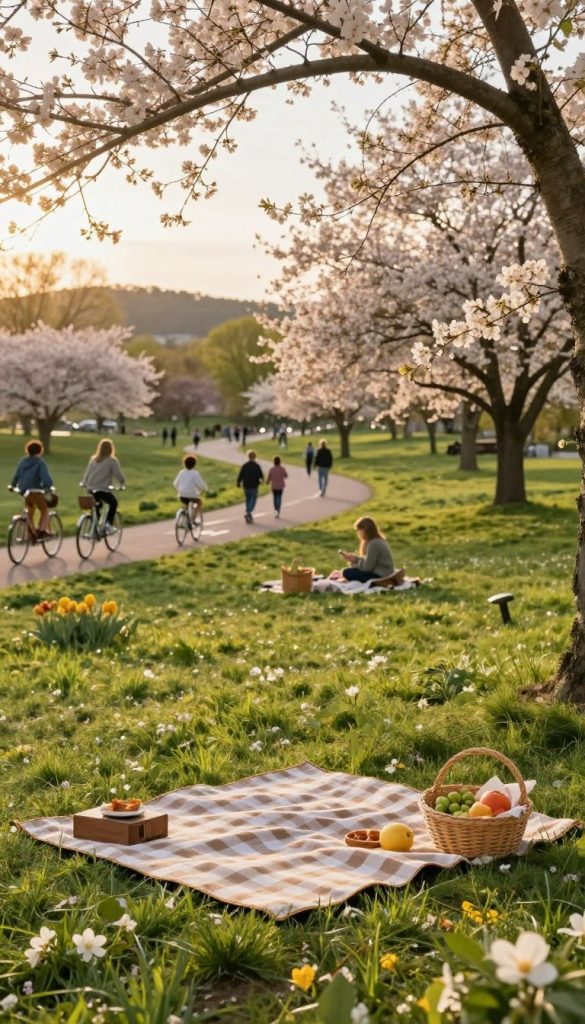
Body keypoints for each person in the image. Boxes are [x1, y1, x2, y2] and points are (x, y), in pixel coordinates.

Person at [10, 439, 54, 540]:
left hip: (24, 492)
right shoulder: (40, 463)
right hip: (35, 492)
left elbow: (16, 475)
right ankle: (42, 531)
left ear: (27, 450)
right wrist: (49, 487)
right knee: (45, 510)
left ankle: (31, 533)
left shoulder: (22, 461)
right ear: (40, 451)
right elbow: (46, 479)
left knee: (30, 510)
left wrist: (12, 485)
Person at [82, 438, 125, 535]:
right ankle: (108, 524)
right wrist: (121, 484)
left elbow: (87, 473)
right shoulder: (112, 460)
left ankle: (94, 528)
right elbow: (119, 476)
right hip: (102, 490)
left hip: (90, 489)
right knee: (113, 503)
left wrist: (84, 483)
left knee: (96, 505)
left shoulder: (93, 459)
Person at [339, 516, 394, 583]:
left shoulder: (374, 544)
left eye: (359, 530)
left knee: (346, 572)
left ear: (365, 530)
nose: (358, 533)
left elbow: (367, 568)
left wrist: (354, 564)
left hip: (381, 576)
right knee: (349, 571)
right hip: (382, 572)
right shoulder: (376, 540)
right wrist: (355, 559)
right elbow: (369, 561)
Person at [237, 450, 264, 524]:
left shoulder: (245, 465)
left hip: (246, 485)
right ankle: (248, 512)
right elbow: (261, 474)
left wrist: (238, 483)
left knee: (248, 499)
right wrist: (262, 480)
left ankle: (249, 513)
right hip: (254, 485)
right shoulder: (256, 465)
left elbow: (240, 475)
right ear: (255, 457)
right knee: (253, 499)